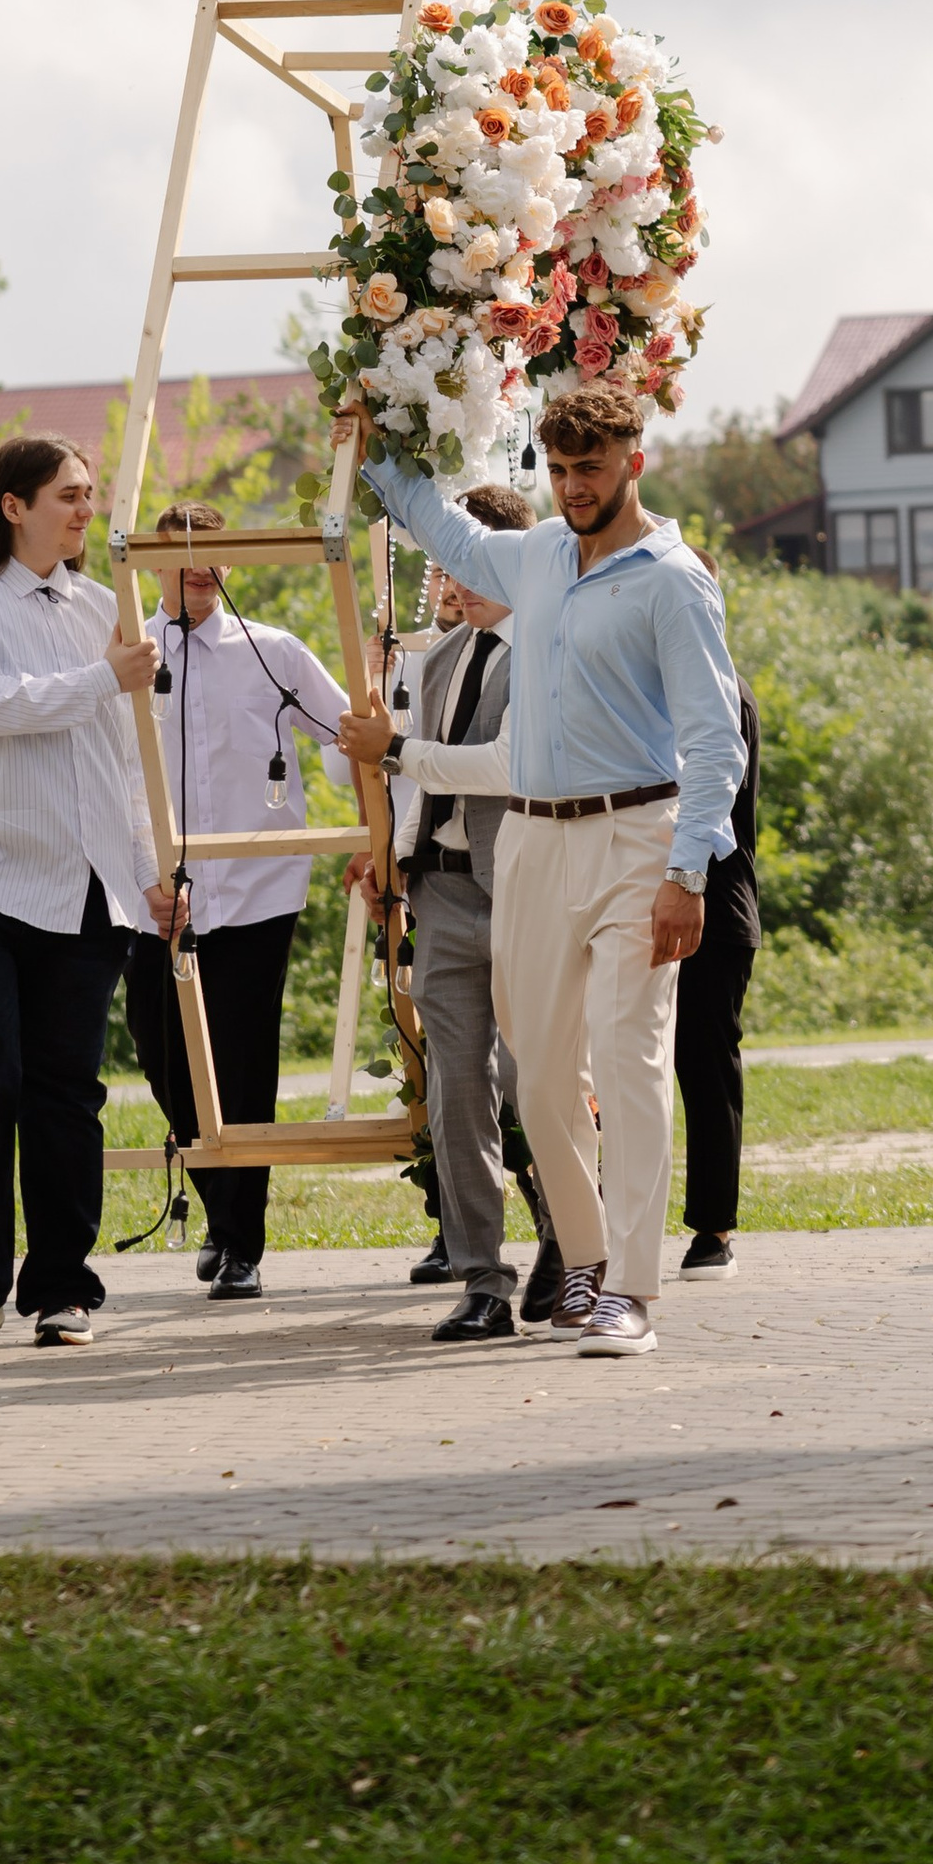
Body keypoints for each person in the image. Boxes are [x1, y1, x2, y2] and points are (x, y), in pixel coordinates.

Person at [340, 378, 743, 1359]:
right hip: (526, 843)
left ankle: (628, 1290)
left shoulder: (671, 578)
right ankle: (592, 1258)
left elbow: (714, 740)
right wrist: (370, 439)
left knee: (627, 1054)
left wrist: (687, 872)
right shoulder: (534, 557)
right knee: (541, 1079)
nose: (571, 486)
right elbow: (439, 525)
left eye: (589, 470)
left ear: (633, 464)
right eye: (558, 469)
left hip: (634, 840)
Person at [0, 434, 177, 1350]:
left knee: (66, 1091)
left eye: (91, 494)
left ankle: (62, 1288)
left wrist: (150, 871)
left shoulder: (104, 607)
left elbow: (124, 765)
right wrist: (102, 676)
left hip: (86, 888)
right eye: (68, 493)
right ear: (13, 505)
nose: (85, 508)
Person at [123, 500, 355, 1302]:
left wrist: (374, 837)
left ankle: (241, 1244)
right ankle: (223, 1208)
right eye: (181, 551)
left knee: (246, 1063)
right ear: (153, 562)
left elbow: (350, 736)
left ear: (235, 563)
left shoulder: (276, 653)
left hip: (257, 893)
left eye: (213, 552)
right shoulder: (125, 654)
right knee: (158, 1046)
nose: (198, 565)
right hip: (153, 897)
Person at [366, 482, 556, 1347]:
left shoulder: (547, 654)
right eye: (449, 565)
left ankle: (567, 1240)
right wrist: (388, 861)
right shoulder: (436, 659)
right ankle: (483, 1279)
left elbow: (503, 768)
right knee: (454, 1093)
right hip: (438, 890)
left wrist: (399, 750)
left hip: (521, 889)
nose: (455, 581)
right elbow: (408, 783)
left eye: (471, 565)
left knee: (534, 1081)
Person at [673, 634, 761, 1278]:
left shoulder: (719, 689)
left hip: (714, 904)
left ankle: (714, 1228)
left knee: (705, 1068)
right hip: (649, 898)